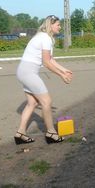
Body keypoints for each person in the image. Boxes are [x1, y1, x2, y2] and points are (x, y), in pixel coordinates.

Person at [14, 15, 73, 145]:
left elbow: (50, 59)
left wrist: (64, 70)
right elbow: (46, 63)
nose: (60, 27)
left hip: (23, 71)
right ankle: (51, 133)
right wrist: (61, 75)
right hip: (29, 72)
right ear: (50, 25)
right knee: (47, 101)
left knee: (32, 103)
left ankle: (20, 133)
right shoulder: (45, 38)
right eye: (58, 24)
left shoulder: (43, 37)